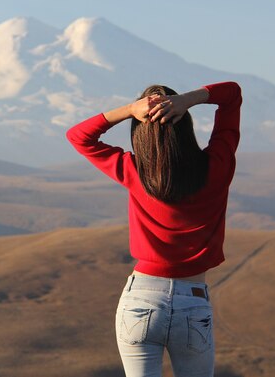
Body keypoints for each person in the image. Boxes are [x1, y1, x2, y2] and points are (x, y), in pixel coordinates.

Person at [65, 81, 242, 377]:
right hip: (193, 301)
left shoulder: (134, 171)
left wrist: (131, 110)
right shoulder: (218, 166)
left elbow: (78, 136)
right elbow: (232, 94)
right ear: (186, 126)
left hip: (140, 300)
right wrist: (186, 100)